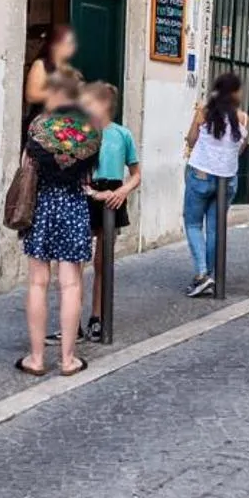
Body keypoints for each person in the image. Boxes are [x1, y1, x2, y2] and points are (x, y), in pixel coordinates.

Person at [17, 68, 101, 375]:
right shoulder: (91, 130)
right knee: (71, 285)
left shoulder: (38, 126)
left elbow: (26, 166)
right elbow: (91, 174)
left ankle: (36, 359)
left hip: (42, 207)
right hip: (74, 207)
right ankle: (67, 360)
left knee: (38, 283)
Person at [82, 81, 140, 342]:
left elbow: (136, 174)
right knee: (74, 263)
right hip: (87, 193)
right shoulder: (81, 132)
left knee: (102, 261)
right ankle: (72, 320)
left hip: (112, 198)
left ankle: (97, 316)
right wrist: (91, 192)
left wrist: (122, 191)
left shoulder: (122, 135)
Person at [182, 72, 249, 296]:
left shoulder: (205, 112)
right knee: (214, 228)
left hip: (200, 174)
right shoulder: (243, 118)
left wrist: (197, 118)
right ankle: (208, 275)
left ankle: (202, 274)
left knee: (192, 224)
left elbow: (191, 140)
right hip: (228, 179)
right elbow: (240, 149)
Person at [23, 25, 76, 125]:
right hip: (45, 123)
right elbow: (31, 95)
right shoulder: (40, 65)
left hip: (64, 123)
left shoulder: (68, 68)